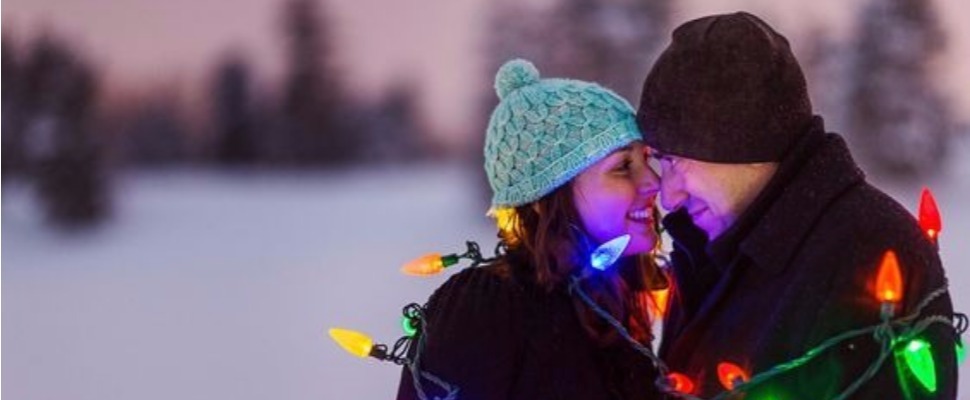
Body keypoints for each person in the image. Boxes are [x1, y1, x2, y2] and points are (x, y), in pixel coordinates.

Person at [636, 11, 958, 398]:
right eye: (660, 162)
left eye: (675, 161)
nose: (668, 196)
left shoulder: (870, 252)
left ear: (744, 145)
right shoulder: (712, 246)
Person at [396, 59, 666, 400]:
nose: (653, 181)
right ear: (548, 194)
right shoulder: (486, 307)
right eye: (624, 166)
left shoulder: (614, 297)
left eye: (648, 159)